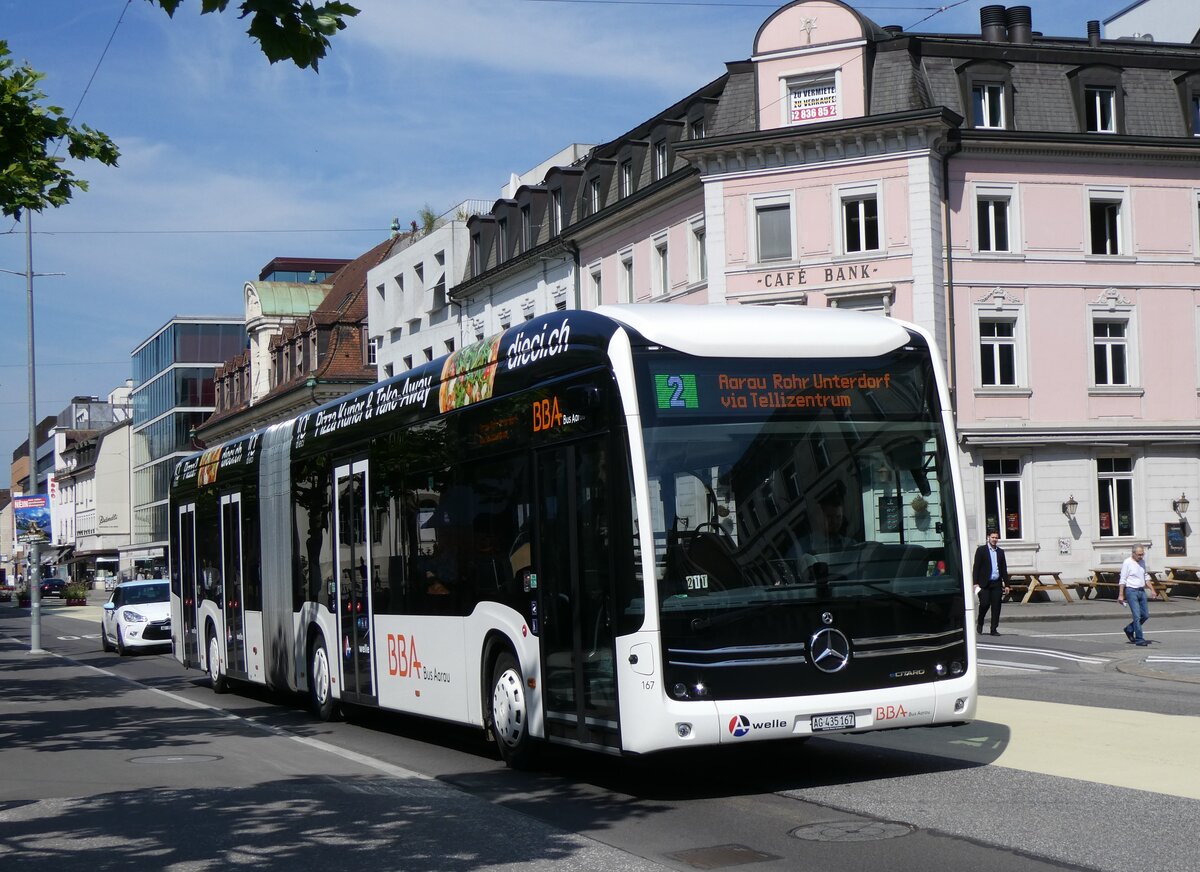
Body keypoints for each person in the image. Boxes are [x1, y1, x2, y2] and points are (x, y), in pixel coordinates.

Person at [972, 529, 1010, 636]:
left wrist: (1007, 585)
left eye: (996, 538)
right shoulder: (981, 550)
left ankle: (993, 629)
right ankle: (980, 621)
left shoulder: (1000, 552)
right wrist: (975, 583)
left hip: (996, 583)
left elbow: (1004, 569)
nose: (994, 539)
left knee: (996, 606)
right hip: (984, 584)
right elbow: (976, 568)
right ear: (988, 538)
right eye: (993, 537)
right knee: (984, 604)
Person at [1117, 544, 1156, 646]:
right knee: (1137, 616)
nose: (1141, 556)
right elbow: (1122, 579)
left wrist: (1152, 590)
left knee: (1145, 615)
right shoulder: (1127, 563)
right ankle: (1139, 639)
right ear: (1133, 553)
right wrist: (1121, 594)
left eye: (1142, 554)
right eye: (1139, 554)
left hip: (1141, 591)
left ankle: (1129, 629)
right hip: (1131, 591)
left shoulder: (1142, 562)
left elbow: (1145, 576)